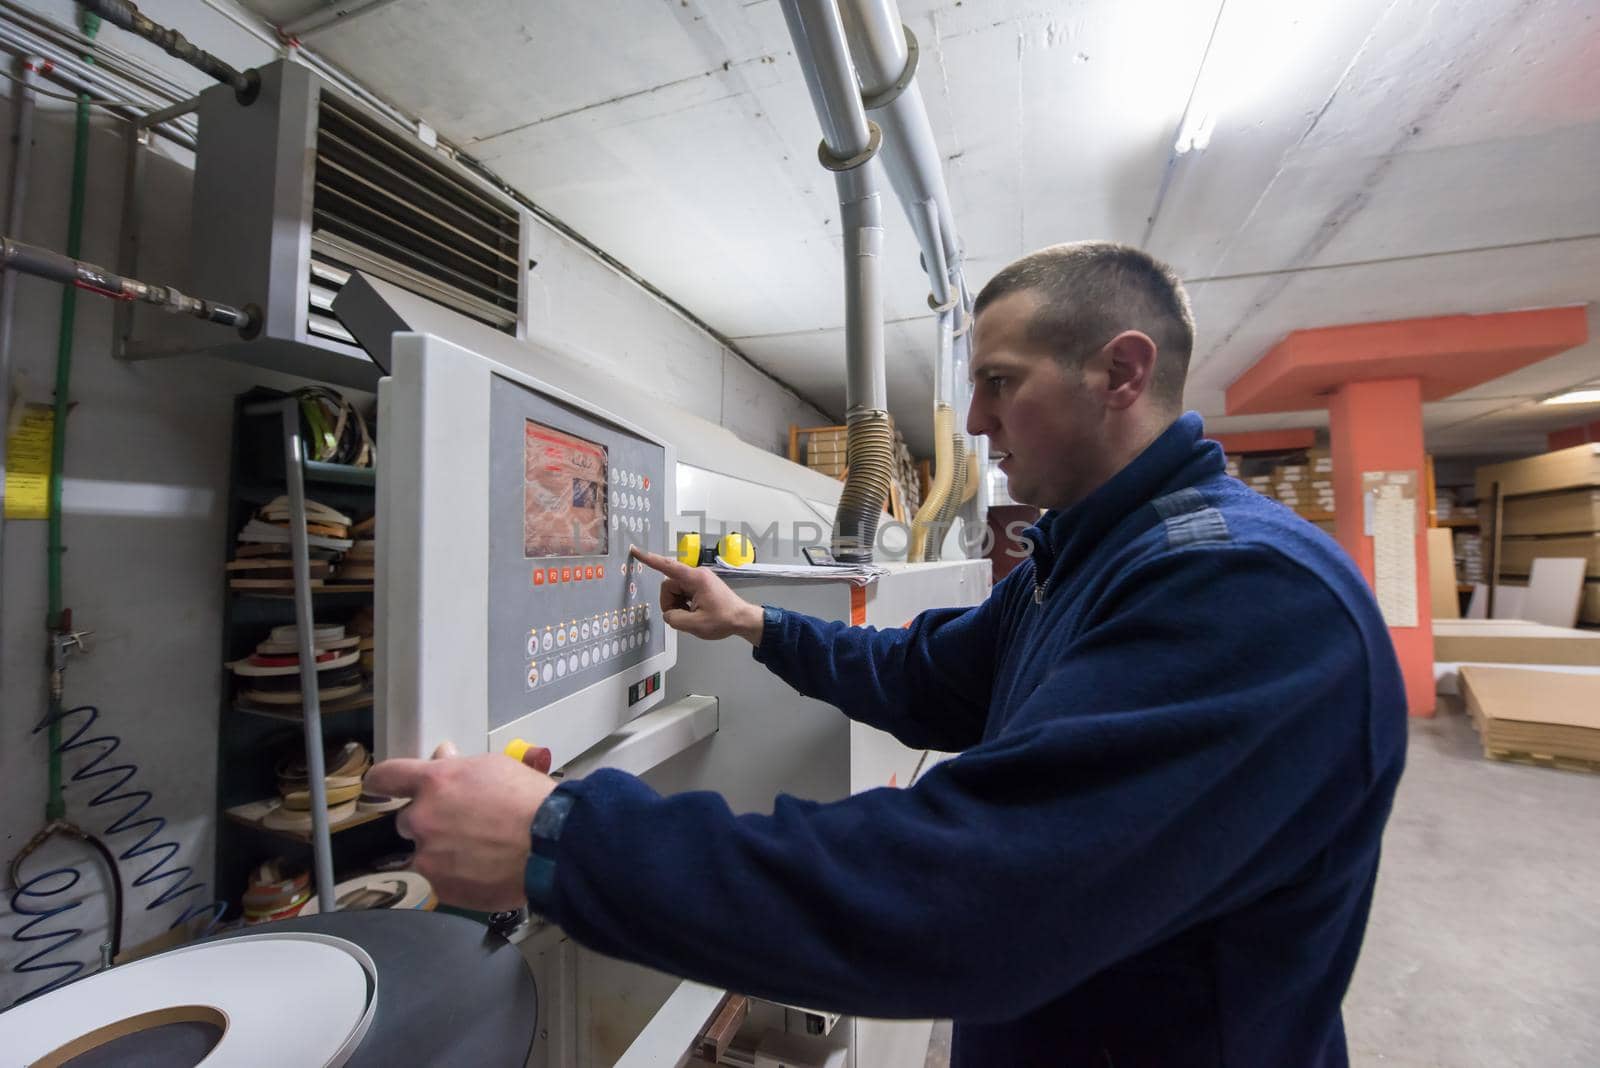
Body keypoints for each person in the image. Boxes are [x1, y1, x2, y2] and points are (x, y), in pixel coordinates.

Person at [367, 241, 1407, 1066]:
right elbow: (928, 675)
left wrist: (562, 840)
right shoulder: (1086, 555)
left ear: (1119, 372)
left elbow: (970, 898)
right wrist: (757, 624)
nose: (980, 422)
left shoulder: (1246, 594)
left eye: (999, 382)